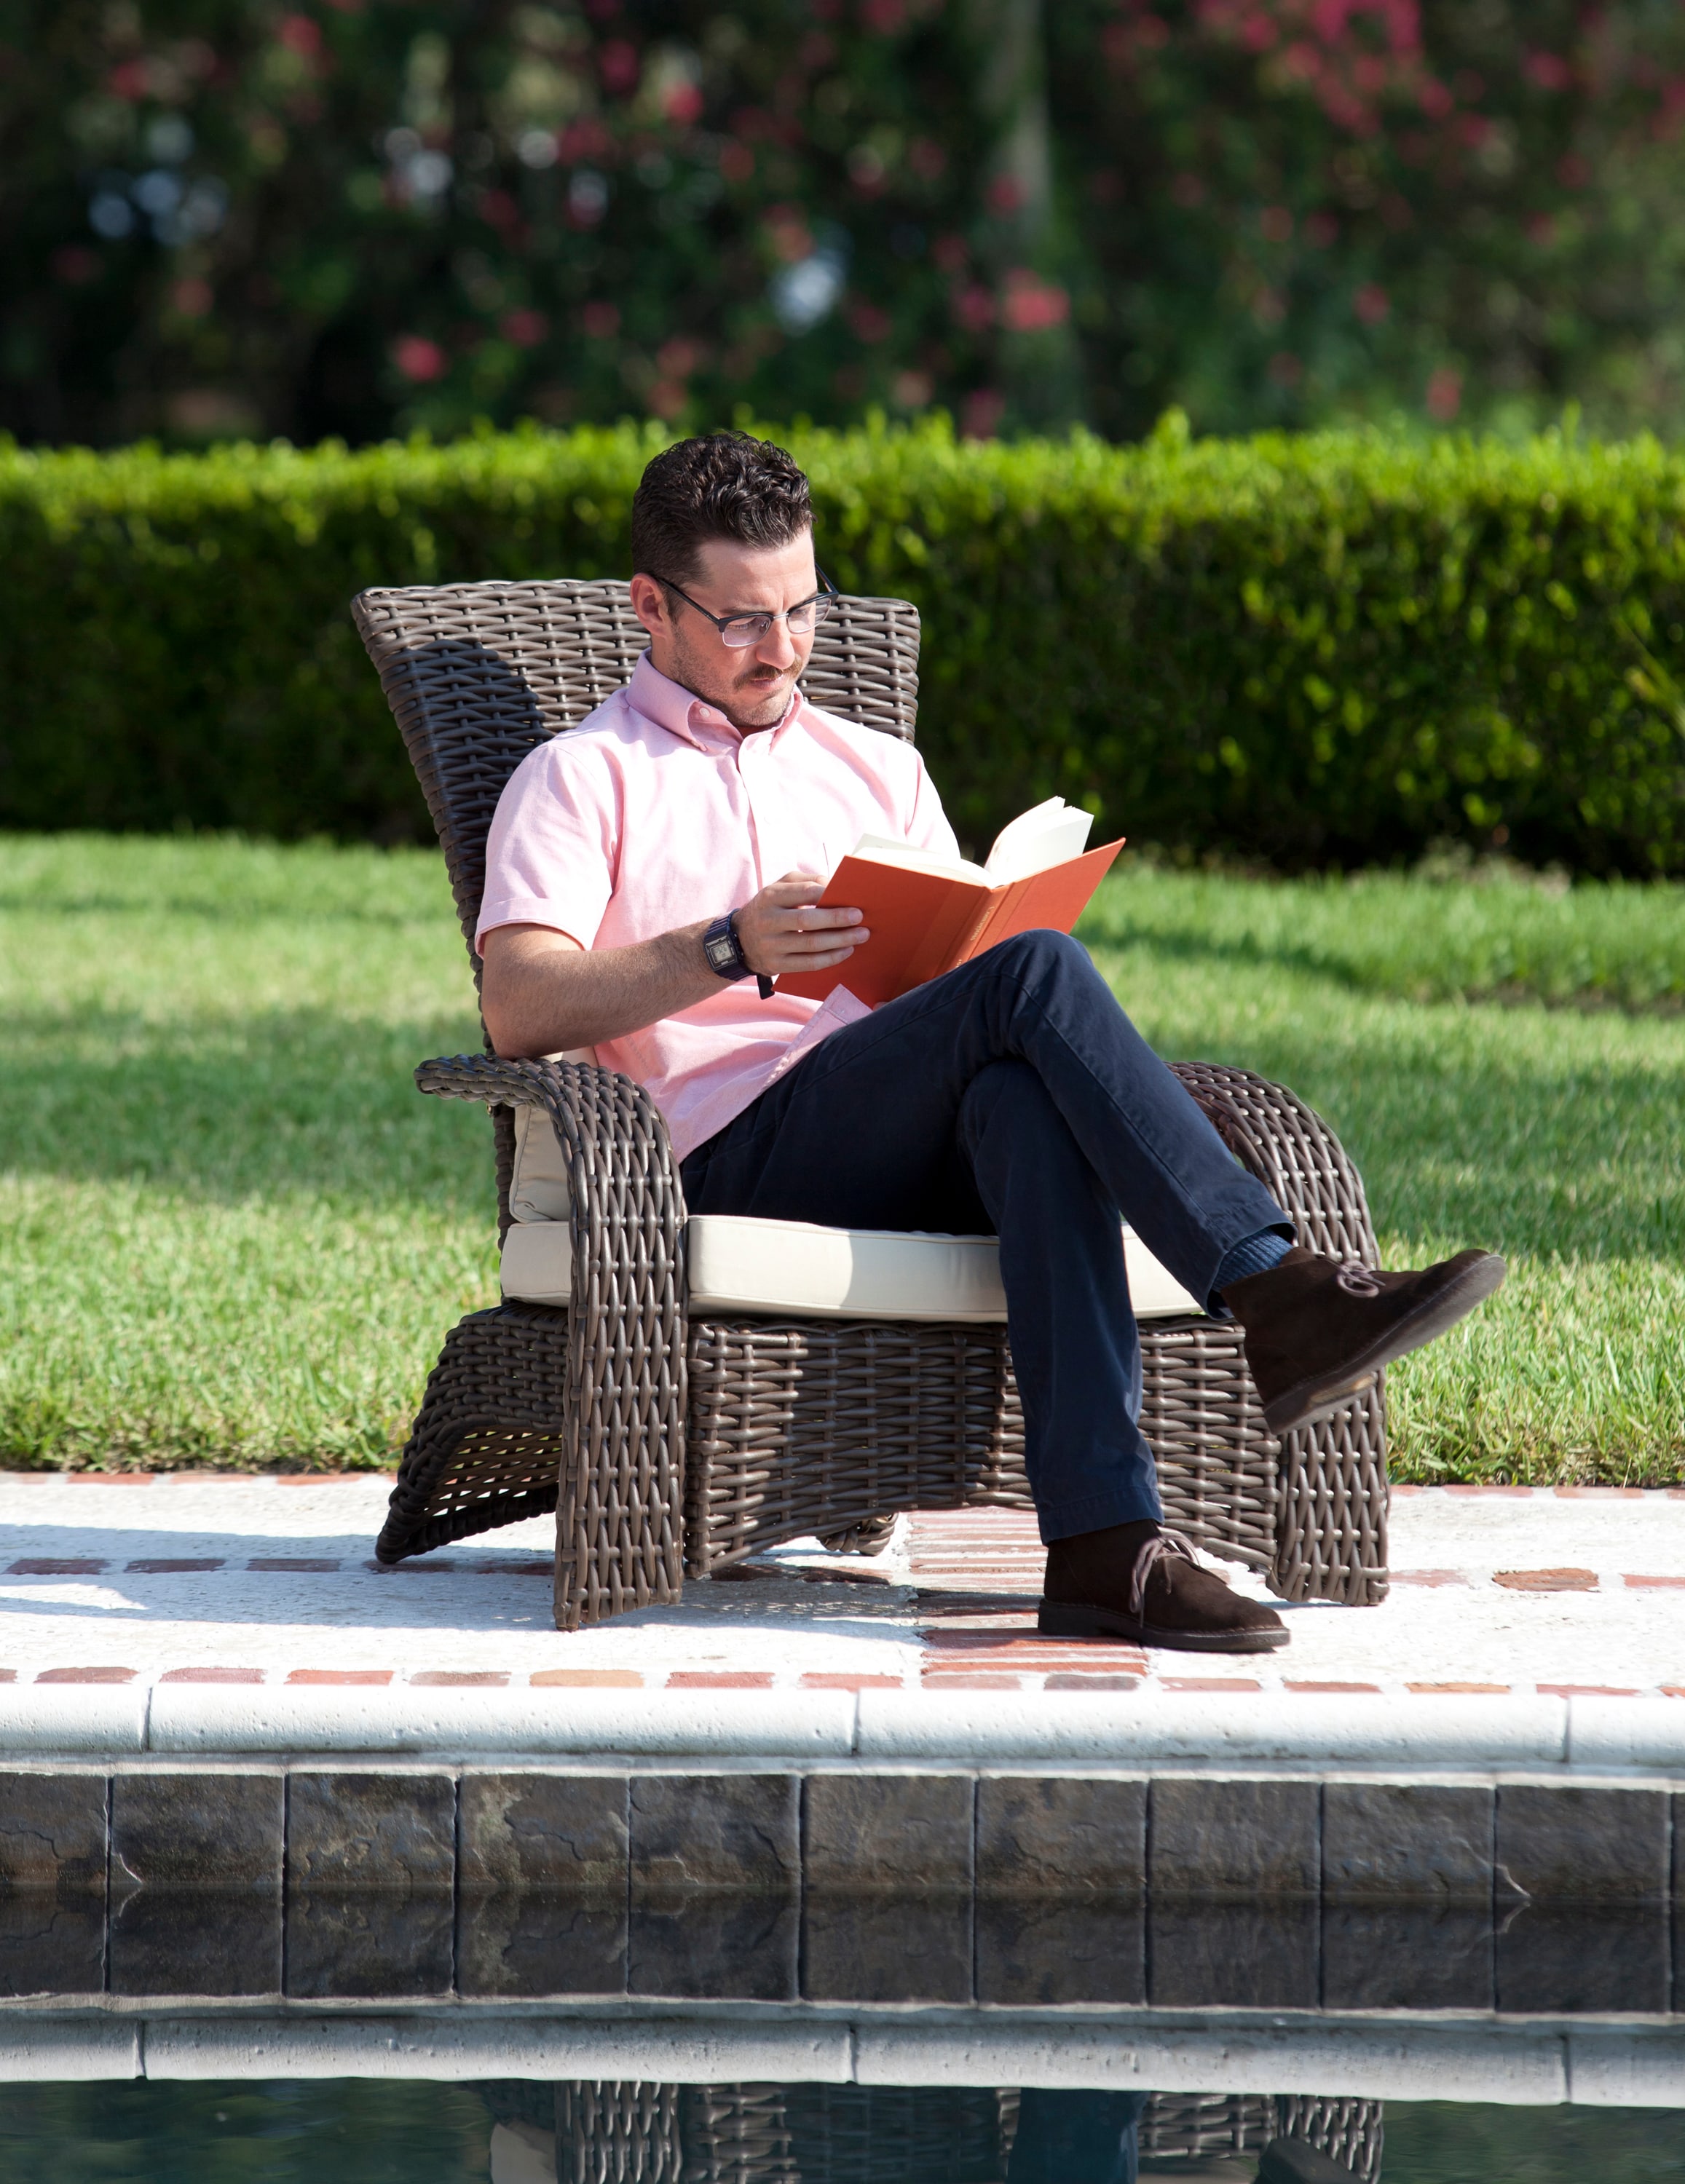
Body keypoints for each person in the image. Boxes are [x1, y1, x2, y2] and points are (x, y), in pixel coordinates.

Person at [478, 431, 1504, 1655]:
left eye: (804, 608)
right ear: (652, 604)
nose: (786, 647)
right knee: (1035, 977)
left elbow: (952, 976)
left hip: (903, 1137)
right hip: (715, 1163)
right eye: (744, 619)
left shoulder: (877, 767)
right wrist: (725, 947)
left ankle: (1104, 1551)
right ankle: (1275, 1291)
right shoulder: (580, 775)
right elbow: (518, 1006)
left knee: (1024, 1088)